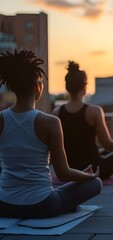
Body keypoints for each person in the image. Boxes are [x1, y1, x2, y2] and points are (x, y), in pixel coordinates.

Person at [0, 50, 102, 218]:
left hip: (4, 205)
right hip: (42, 204)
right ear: (37, 87)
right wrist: (86, 175)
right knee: (95, 183)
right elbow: (63, 173)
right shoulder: (50, 122)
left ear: (11, 87)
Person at [53, 61, 113, 179]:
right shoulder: (94, 111)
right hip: (94, 168)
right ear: (84, 87)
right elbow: (107, 144)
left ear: (67, 87)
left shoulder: (57, 112)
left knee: (103, 152)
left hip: (69, 169)